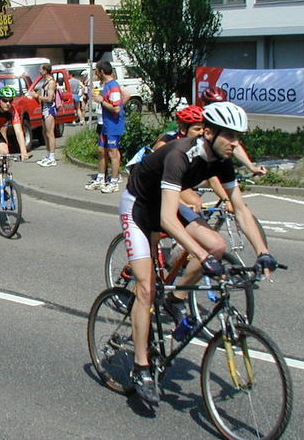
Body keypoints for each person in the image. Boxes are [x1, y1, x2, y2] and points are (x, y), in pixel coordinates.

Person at [118, 101, 277, 405]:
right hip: (138, 205)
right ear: (208, 131)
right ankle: (141, 367)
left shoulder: (222, 159)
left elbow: (240, 208)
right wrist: (201, 258)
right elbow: (165, 219)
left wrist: (263, 252)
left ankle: (175, 298)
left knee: (217, 245)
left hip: (164, 204)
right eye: (229, 136)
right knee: (146, 288)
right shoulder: (180, 154)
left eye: (238, 136)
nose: (235, 143)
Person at [85, 60, 128, 194]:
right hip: (105, 124)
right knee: (101, 150)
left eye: (96, 71)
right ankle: (100, 179)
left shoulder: (113, 86)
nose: (95, 73)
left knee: (112, 153)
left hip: (113, 124)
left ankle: (114, 181)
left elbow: (116, 109)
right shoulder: (107, 85)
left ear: (102, 71)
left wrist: (101, 101)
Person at [34, 64, 58, 167]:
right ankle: (48, 155)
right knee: (45, 132)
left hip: (49, 109)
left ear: (45, 70)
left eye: (41, 69)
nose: (39, 71)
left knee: (50, 133)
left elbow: (49, 98)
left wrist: (37, 96)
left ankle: (52, 157)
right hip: (44, 109)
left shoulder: (51, 82)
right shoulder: (45, 82)